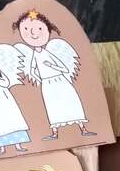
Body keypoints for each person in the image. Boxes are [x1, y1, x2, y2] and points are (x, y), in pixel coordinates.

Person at [12, 10, 95, 140]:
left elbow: (64, 68)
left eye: (39, 28)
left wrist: (51, 66)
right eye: (26, 29)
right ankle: (55, 133)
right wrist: (40, 78)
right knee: (53, 107)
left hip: (59, 80)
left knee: (71, 102)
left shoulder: (48, 52)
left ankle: (83, 129)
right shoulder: (34, 54)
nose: (33, 33)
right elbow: (32, 69)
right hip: (47, 84)